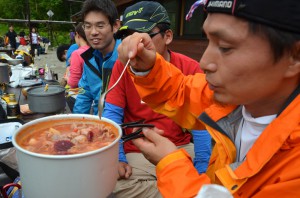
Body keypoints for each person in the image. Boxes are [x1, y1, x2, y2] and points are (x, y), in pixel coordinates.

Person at [116, 0, 300, 197]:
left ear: (294, 56)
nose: (204, 62)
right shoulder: (236, 99)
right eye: (208, 40)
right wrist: (147, 67)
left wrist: (171, 164)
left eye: (226, 47)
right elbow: (179, 92)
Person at [102, 2, 211, 197]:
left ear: (167, 36)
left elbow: (202, 122)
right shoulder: (123, 66)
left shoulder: (190, 67)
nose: (134, 45)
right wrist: (117, 158)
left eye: (143, 36)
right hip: (137, 150)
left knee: (214, 176)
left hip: (180, 146)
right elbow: (112, 115)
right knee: (110, 186)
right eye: (127, 37)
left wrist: (203, 165)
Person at [72, 0, 121, 115]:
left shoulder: (127, 57)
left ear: (115, 26)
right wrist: (75, 125)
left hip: (124, 127)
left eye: (100, 26)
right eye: (88, 26)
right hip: (98, 124)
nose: (93, 32)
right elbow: (84, 96)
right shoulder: (89, 60)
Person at [65, 23, 90, 112]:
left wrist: (67, 77)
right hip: (96, 95)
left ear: (77, 35)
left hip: (83, 95)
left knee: (67, 95)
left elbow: (73, 83)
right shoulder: (95, 50)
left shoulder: (76, 53)